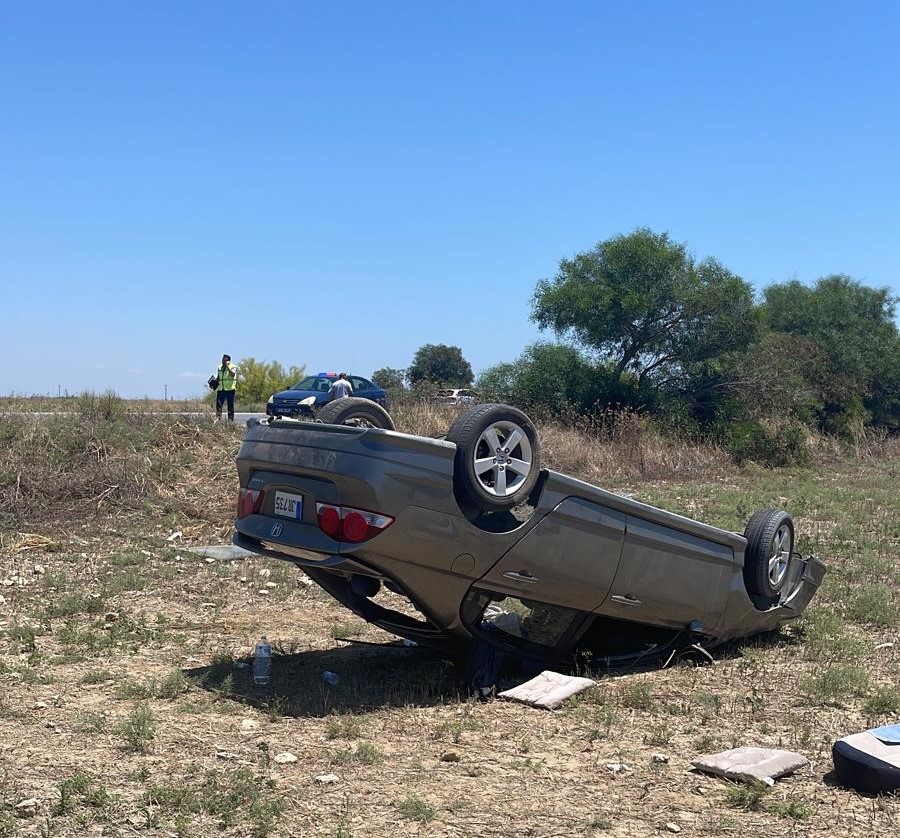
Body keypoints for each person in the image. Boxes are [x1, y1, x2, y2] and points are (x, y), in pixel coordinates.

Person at [214, 354, 238, 421]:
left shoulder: (233, 367)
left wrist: (227, 366)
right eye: (222, 360)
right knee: (218, 405)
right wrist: (214, 382)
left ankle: (230, 420)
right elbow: (219, 377)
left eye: (225, 361)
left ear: (228, 361)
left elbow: (232, 374)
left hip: (230, 389)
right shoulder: (219, 367)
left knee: (230, 406)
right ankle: (218, 419)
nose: (223, 362)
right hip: (221, 389)